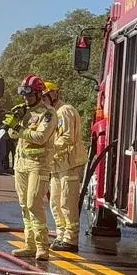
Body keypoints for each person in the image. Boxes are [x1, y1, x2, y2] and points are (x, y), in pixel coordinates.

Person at [2, 74, 58, 261]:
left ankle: (42, 246)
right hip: (21, 164)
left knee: (34, 203)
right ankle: (29, 244)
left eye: (29, 94)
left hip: (38, 165)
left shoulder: (48, 113)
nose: (25, 98)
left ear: (38, 93)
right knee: (24, 205)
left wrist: (20, 130)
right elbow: (11, 134)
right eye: (23, 94)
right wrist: (15, 121)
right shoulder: (23, 111)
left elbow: (41, 137)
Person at [46, 81, 88, 252]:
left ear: (54, 94)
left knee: (67, 201)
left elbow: (67, 137)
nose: (43, 100)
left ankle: (70, 239)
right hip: (56, 164)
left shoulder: (65, 111)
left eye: (44, 96)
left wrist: (47, 148)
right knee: (55, 201)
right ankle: (61, 235)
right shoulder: (51, 113)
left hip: (69, 163)